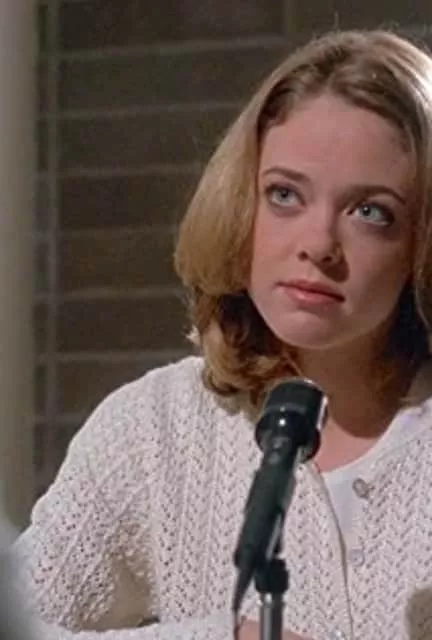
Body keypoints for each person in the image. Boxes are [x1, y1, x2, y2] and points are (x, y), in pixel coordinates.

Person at [12, 27, 432, 640]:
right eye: (284, 195)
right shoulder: (153, 431)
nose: (318, 244)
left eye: (370, 212)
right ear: (241, 205)